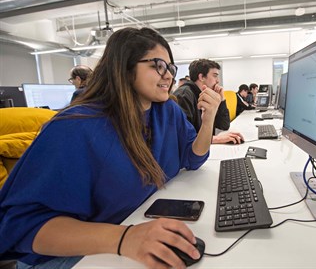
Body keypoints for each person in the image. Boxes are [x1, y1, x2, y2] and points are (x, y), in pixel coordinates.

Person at [0, 27, 222, 269]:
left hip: (131, 226)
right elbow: (23, 226)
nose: (168, 75)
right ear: (124, 68)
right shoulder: (75, 126)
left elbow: (193, 157)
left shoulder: (167, 111)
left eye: (170, 68)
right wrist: (125, 238)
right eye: (158, 65)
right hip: (69, 254)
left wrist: (208, 118)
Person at [174, 59, 244, 144]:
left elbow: (224, 125)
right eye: (215, 76)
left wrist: (221, 99)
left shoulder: (207, 95)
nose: (217, 81)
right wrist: (216, 139)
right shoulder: (184, 96)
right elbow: (182, 136)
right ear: (201, 77)